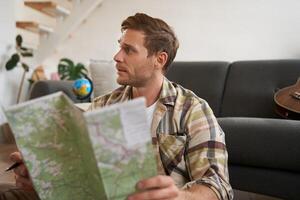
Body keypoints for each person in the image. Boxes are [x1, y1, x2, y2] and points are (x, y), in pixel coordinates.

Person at [8, 13, 233, 200]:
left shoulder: (192, 110)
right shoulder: (103, 106)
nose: (117, 57)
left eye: (129, 50)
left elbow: (218, 186)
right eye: (119, 47)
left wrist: (180, 197)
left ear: (159, 59)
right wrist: (41, 180)